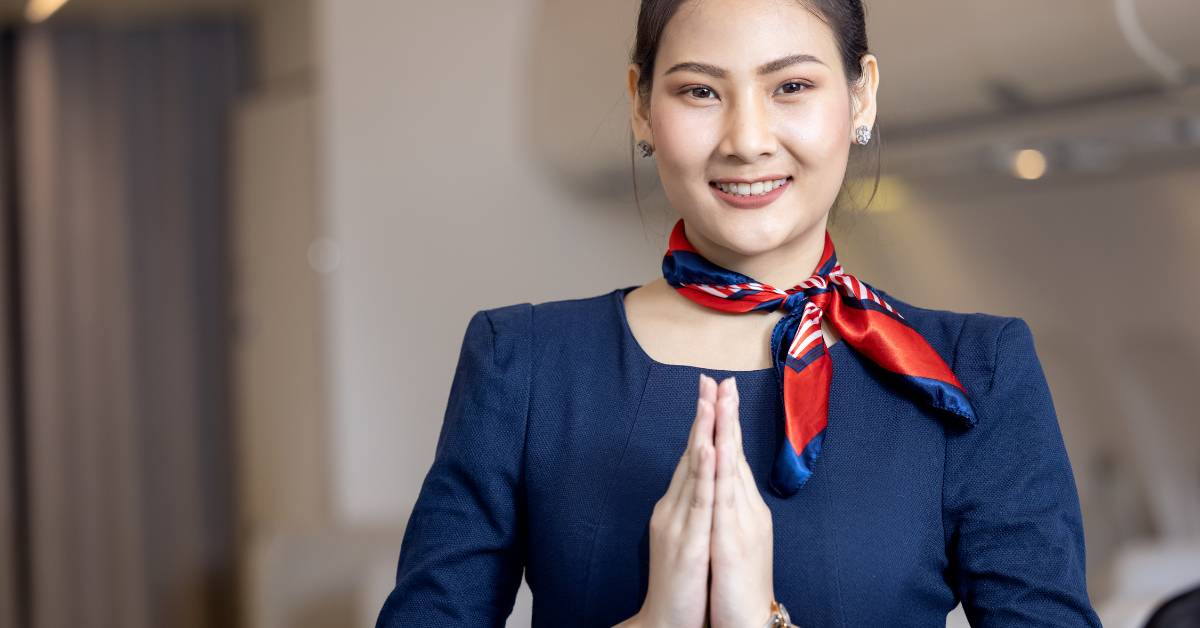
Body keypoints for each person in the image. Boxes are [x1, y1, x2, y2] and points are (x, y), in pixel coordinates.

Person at [375, 0, 1103, 626]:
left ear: (862, 96)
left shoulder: (974, 371)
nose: (747, 140)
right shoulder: (524, 363)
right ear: (640, 103)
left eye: (791, 85)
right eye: (699, 92)